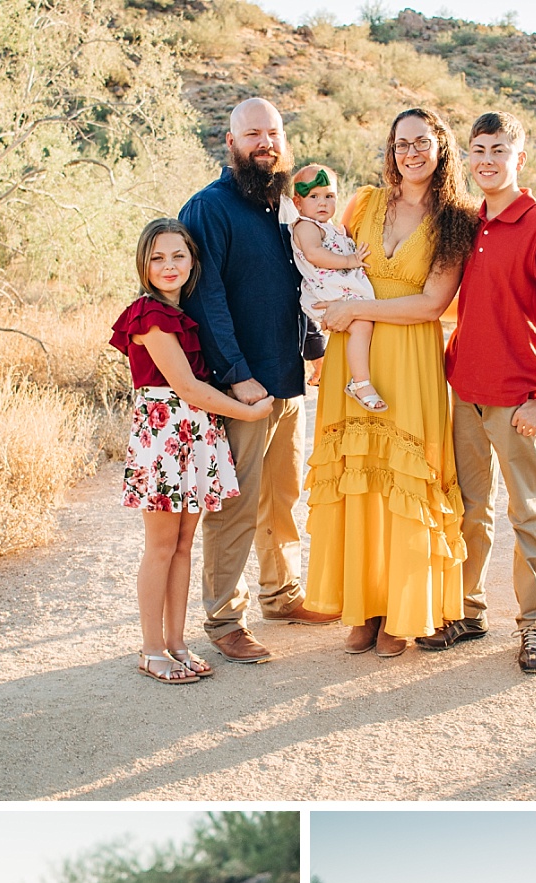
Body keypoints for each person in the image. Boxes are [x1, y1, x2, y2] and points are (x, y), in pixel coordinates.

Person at [302, 108, 478, 658]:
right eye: (402, 143)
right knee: (362, 479)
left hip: (410, 357)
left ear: (441, 147)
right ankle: (365, 607)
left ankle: (402, 612)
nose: (411, 152)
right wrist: (323, 322)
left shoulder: (456, 218)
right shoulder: (363, 203)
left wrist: (359, 308)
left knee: (403, 481)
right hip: (352, 355)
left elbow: (432, 303)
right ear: (391, 149)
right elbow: (324, 261)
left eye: (422, 141)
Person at [422, 111, 536, 674]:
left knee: (527, 513)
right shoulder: (469, 224)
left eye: (498, 150)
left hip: (518, 400)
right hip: (465, 392)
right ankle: (468, 611)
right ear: (467, 158)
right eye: (478, 150)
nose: (487, 160)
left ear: (520, 159)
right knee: (470, 510)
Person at [179, 98, 336, 665]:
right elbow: (205, 299)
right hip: (242, 391)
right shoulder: (208, 209)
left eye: (272, 133)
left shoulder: (285, 209)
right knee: (237, 504)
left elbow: (300, 284)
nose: (264, 142)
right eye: (253, 134)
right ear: (230, 140)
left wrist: (313, 349)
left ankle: (281, 594)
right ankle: (224, 618)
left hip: (288, 380)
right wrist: (239, 379)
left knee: (282, 498)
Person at [109, 218, 273, 683]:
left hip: (193, 436)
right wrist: (252, 414)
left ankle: (177, 643)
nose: (168, 265)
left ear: (192, 260)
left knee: (183, 547)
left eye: (178, 255)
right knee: (160, 548)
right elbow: (188, 388)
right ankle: (151, 649)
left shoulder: (182, 315)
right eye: (158, 257)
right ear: (144, 263)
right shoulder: (150, 316)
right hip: (165, 438)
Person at [288, 164, 381, 411]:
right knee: (362, 326)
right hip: (326, 293)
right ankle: (360, 383)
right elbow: (314, 253)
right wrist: (350, 260)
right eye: (314, 197)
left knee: (368, 325)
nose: (323, 203)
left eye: (329, 196)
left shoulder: (331, 227)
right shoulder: (305, 226)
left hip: (339, 289)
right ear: (298, 203)